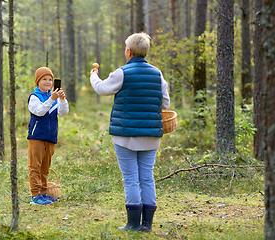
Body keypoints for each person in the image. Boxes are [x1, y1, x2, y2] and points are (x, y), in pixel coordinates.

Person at [89, 32, 170, 231]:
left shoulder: (122, 73)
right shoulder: (157, 73)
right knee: (147, 177)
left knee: (131, 178)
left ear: (128, 51)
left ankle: (133, 224)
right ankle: (147, 224)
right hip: (151, 136)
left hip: (125, 136)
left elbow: (101, 89)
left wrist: (94, 77)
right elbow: (165, 103)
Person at [27, 67, 69, 205]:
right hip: (37, 136)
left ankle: (44, 192)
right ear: (38, 81)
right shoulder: (34, 97)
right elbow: (39, 111)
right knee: (35, 167)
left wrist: (61, 99)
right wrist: (52, 98)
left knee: (45, 167)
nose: (48, 82)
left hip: (50, 137)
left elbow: (63, 112)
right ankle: (35, 195)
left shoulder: (54, 97)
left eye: (50, 79)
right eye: (44, 79)